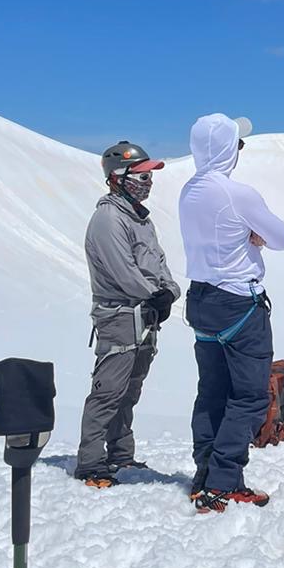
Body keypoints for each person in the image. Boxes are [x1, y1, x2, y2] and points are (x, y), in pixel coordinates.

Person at [178, 114, 284, 514]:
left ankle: (205, 475)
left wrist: (243, 235)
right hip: (239, 303)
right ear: (228, 150)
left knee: (211, 392)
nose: (239, 152)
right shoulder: (237, 194)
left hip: (202, 301)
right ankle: (223, 483)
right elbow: (282, 238)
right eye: (237, 145)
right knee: (247, 396)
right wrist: (252, 236)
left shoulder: (189, 191)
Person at [74, 141, 181, 488]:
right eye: (140, 175)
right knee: (108, 391)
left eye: (148, 176)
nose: (147, 182)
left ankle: (120, 454)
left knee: (129, 391)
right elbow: (123, 271)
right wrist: (154, 295)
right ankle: (91, 463)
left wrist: (169, 292)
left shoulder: (141, 219)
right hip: (119, 316)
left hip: (145, 316)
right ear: (117, 177)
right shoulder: (108, 218)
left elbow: (159, 264)